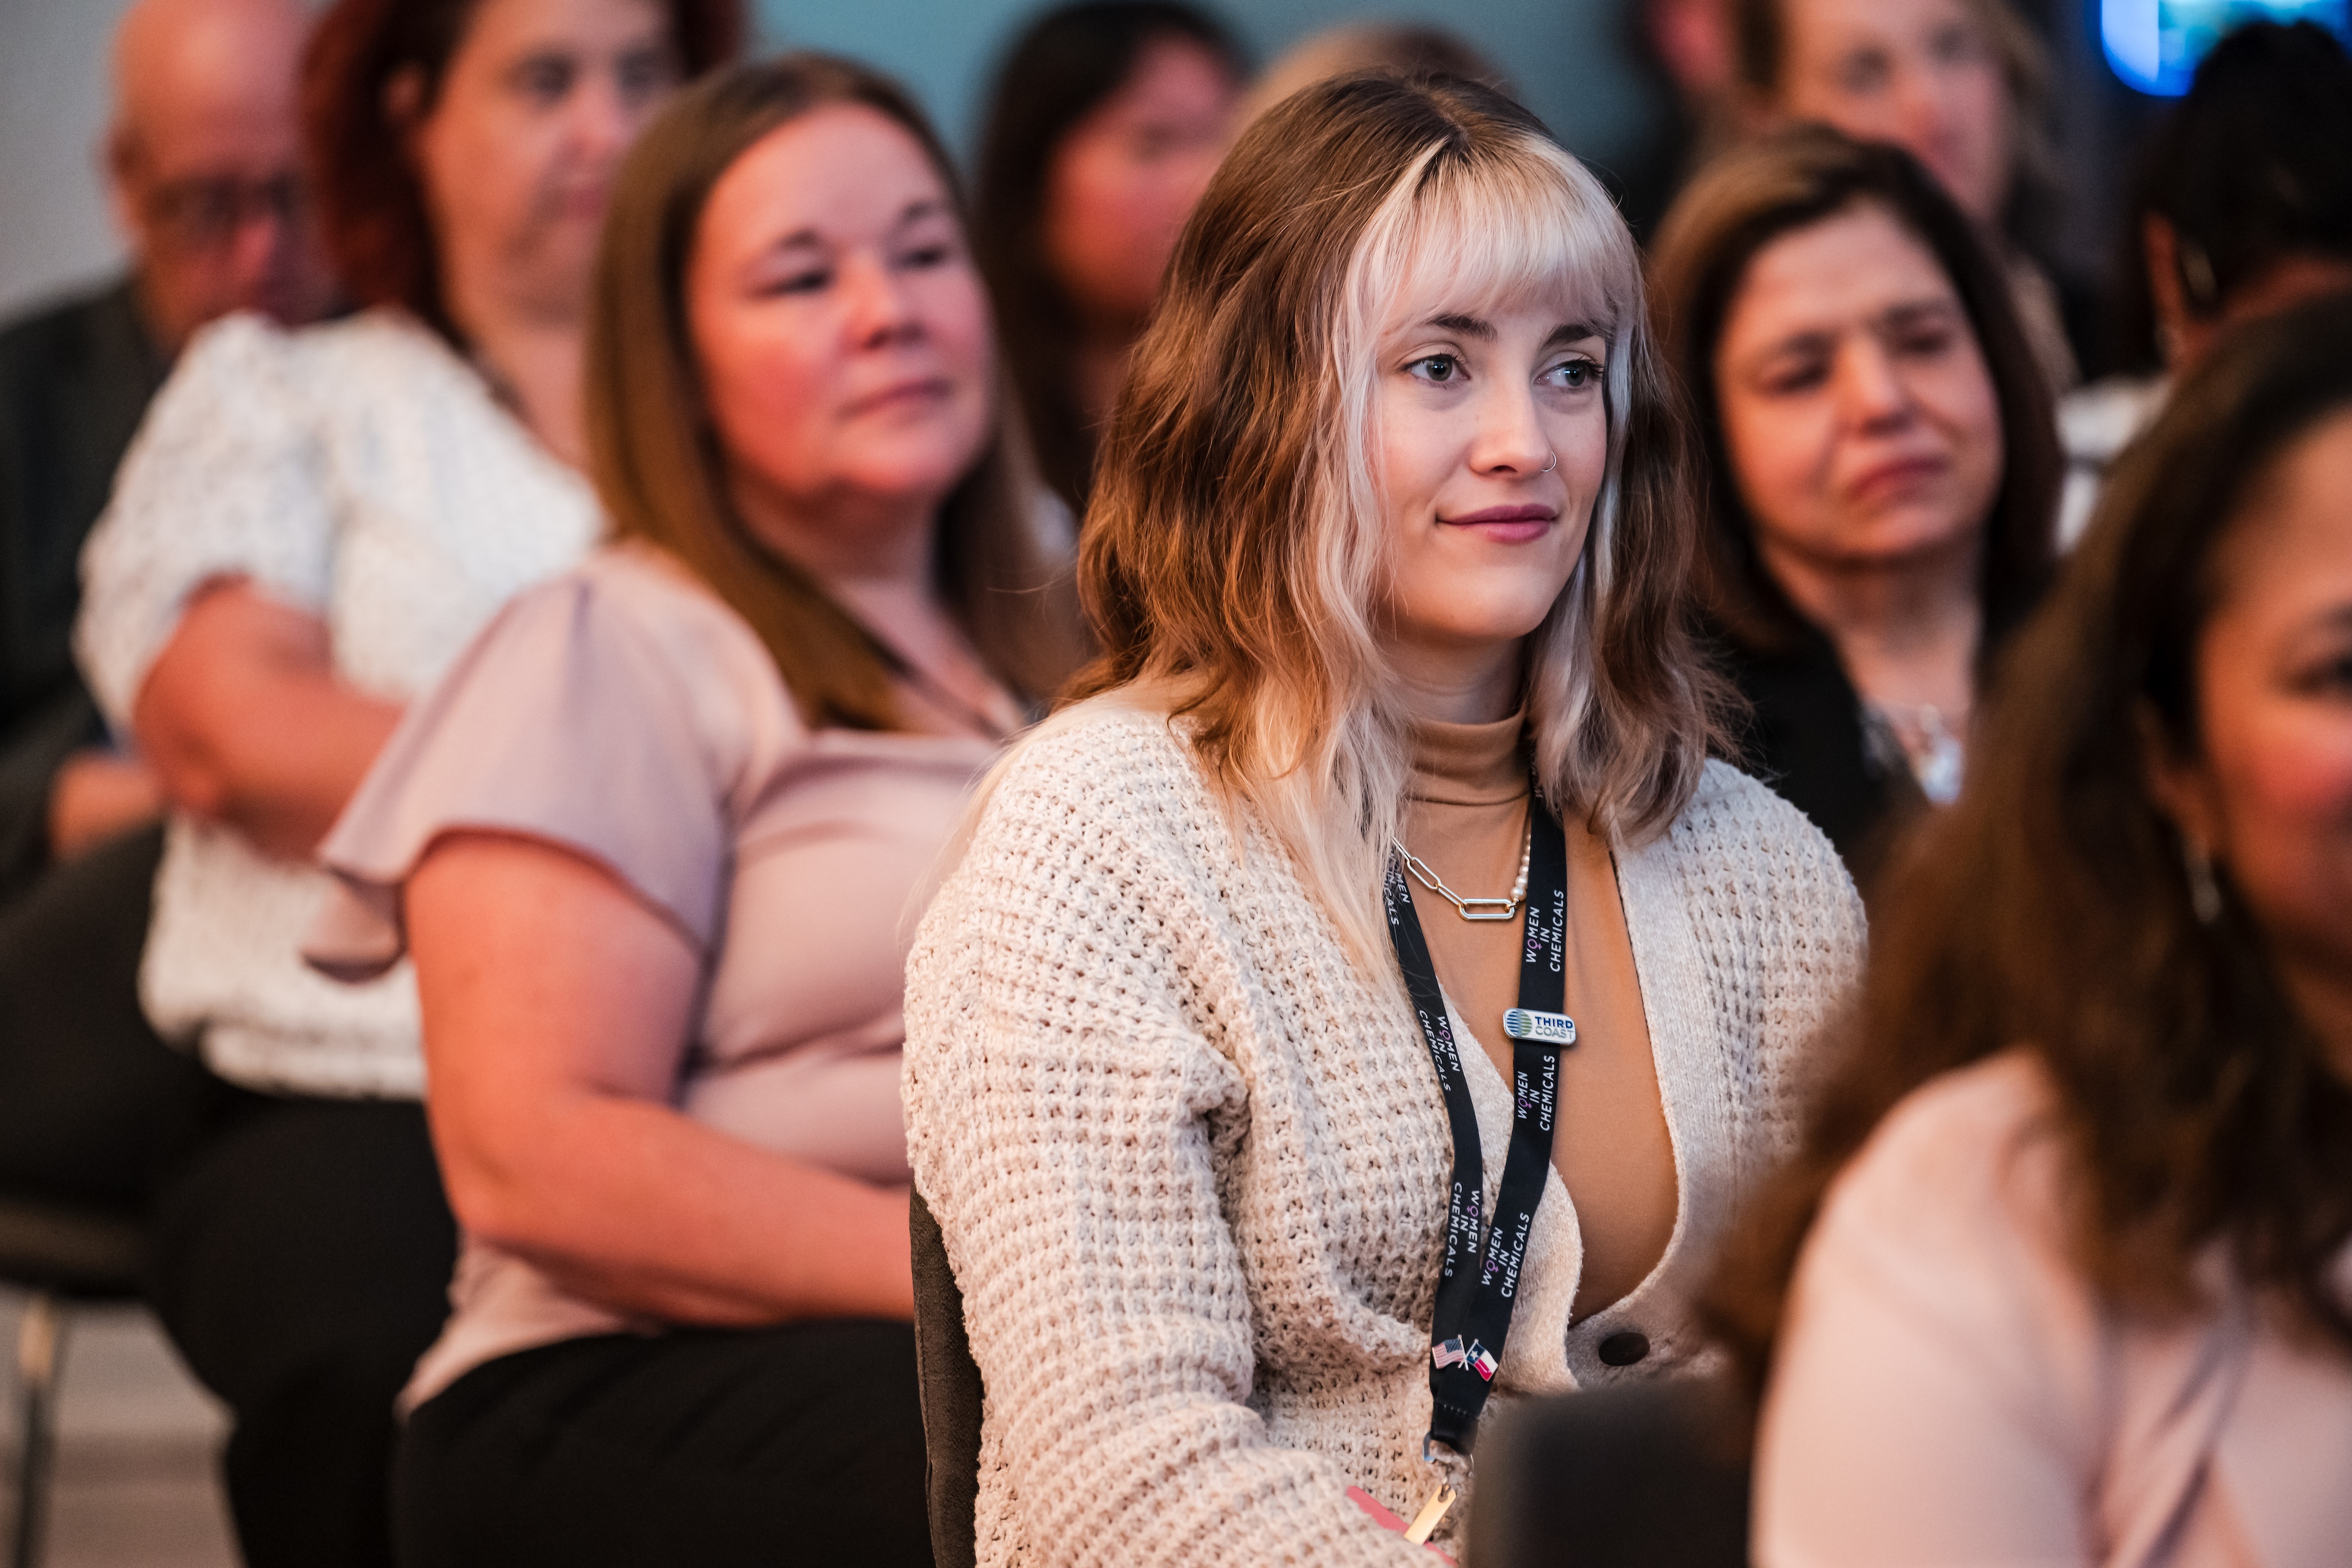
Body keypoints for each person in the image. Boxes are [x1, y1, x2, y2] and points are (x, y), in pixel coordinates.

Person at [904, 72, 1866, 1563]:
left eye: (1570, 368)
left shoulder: (1756, 869)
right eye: (1437, 367)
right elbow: (1126, 1488)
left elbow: (1869, 1377)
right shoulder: (1092, 844)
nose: (1523, 444)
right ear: (1263, 408)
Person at [300, 54, 1084, 1566]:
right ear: (676, 356)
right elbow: (540, 1156)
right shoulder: (605, 646)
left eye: (926, 253)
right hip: (620, 1381)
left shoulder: (1084, 651)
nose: (887, 310)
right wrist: (1018, 1281)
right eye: (800, 279)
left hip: (1025, 1326)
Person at [69, 1, 741, 1563]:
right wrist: (677, 785)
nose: (604, 128)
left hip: (725, 1081)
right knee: (391, 1375)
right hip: (351, 1094)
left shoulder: (772, 399)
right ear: (411, 111)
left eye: (643, 75)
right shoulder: (290, 397)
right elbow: (237, 732)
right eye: (546, 81)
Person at [1725, 289, 2352, 1567]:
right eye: (2337, 672)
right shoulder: (1975, 1235)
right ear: (2169, 759)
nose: (1875, 400)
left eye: (1919, 342)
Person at [0, 0, 340, 1216]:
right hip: (70, 939)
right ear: (124, 184)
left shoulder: (407, 388)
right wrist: (77, 799)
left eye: (299, 197)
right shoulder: (23, 403)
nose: (259, 257)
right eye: (208, 207)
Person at [1648, 126, 2059, 883]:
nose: (1882, 402)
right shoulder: (1663, 740)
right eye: (1801, 374)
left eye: (1922, 341)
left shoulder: (2136, 647)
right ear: (1703, 432)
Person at [2058, 21, 2352, 547]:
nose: (2303, 391)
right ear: (2167, 268)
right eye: (2264, 344)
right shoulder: (2072, 482)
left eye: (2332, 338)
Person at [971, 1, 1244, 519]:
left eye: (1228, 138)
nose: (1207, 182)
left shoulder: (1289, 420)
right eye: (1152, 143)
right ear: (1031, 180)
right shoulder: (969, 438)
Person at [1729, 0, 2084, 392]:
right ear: (1771, 126)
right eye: (1863, 74)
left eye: (1952, 47)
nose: (1930, 106)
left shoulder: (2133, 338)